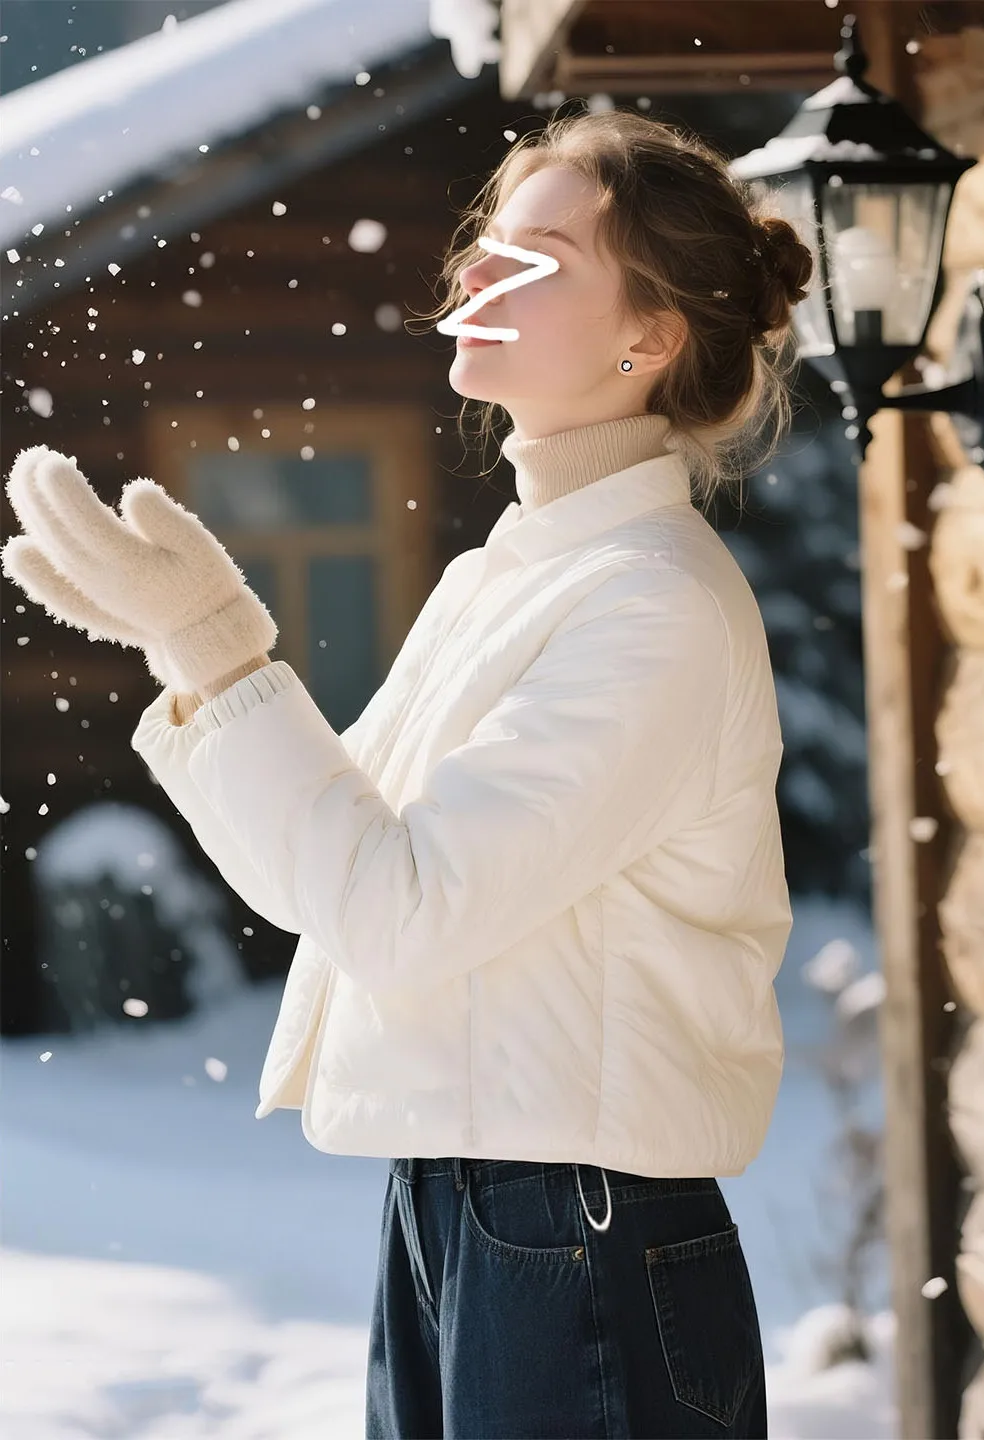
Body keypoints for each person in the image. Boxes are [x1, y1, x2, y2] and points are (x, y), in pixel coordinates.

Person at [1, 104, 812, 1439]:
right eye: (489, 239)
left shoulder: (648, 603)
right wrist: (199, 658)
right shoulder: (508, 575)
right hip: (469, 1209)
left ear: (650, 338)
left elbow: (397, 914)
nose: (478, 268)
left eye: (536, 256)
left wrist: (225, 650)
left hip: (579, 1227)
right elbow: (325, 886)